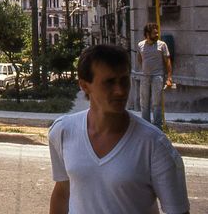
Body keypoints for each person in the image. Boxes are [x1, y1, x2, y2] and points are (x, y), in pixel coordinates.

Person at [49, 44, 189, 214]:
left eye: (124, 80)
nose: (120, 91)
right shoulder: (63, 131)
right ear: (85, 86)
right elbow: (63, 192)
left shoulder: (154, 145)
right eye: (109, 82)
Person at [137, 22, 173, 128]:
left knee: (156, 103)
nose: (157, 35)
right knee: (144, 104)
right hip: (145, 77)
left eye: (157, 33)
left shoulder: (162, 45)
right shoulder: (140, 45)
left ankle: (157, 128)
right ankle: (146, 127)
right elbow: (140, 59)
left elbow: (168, 61)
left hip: (158, 77)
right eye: (154, 33)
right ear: (147, 34)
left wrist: (169, 78)